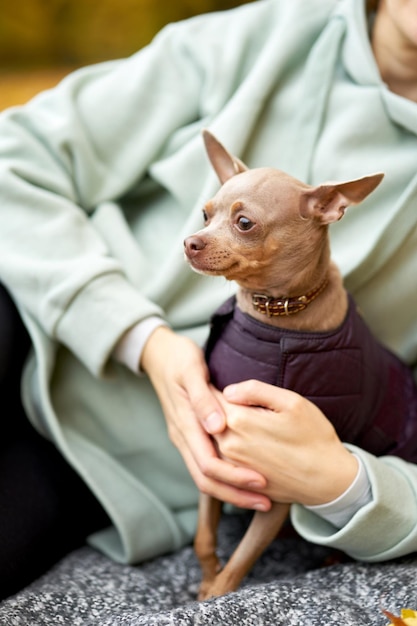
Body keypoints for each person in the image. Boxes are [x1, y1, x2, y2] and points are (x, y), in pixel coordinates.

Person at [0, 0, 416, 609]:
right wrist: (139, 336)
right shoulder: (263, 35)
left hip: (120, 463)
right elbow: (15, 157)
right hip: (31, 315)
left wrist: (346, 483)